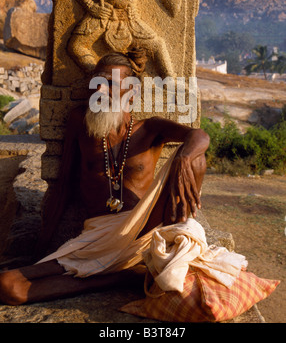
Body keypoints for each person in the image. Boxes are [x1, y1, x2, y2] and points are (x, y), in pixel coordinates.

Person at [0, 51, 210, 306]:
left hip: (144, 232)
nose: (100, 88)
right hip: (97, 235)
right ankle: (123, 276)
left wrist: (183, 159)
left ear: (130, 92)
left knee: (196, 157)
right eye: (97, 81)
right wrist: (42, 246)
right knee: (9, 287)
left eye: (110, 83)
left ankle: (154, 253)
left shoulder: (150, 128)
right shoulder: (81, 122)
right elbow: (62, 188)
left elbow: (200, 136)